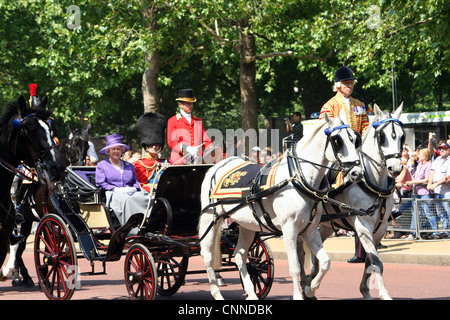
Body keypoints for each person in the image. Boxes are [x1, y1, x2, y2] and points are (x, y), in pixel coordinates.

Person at [319, 66, 369, 263]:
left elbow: (365, 126)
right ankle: (322, 201)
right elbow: (326, 130)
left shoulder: (359, 105)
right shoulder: (329, 106)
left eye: (351, 83)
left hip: (357, 151)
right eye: (347, 83)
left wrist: (362, 143)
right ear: (338, 85)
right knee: (328, 175)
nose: (350, 86)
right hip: (339, 153)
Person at [95, 134, 148, 230]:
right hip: (112, 194)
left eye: (118, 149)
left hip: (129, 193)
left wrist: (133, 188)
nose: (116, 151)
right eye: (113, 149)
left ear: (122, 151)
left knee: (146, 197)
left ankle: (146, 224)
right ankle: (131, 228)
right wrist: (116, 189)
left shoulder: (129, 165)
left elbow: (135, 182)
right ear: (108, 151)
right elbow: (101, 183)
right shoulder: (102, 165)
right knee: (128, 200)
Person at [167, 89, 214, 165]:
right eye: (187, 104)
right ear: (180, 105)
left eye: (191, 103)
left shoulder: (198, 121)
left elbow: (206, 140)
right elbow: (171, 142)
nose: (190, 106)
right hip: (180, 161)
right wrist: (186, 148)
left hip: (198, 161)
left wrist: (212, 149)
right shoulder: (173, 121)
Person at [134, 112, 168, 192]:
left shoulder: (166, 162)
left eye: (156, 144)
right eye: (151, 144)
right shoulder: (139, 164)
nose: (154, 147)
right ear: (146, 146)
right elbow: (141, 184)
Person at [405, 148, 433, 239]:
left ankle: (436, 232)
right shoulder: (419, 164)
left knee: (428, 212)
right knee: (415, 213)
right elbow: (416, 177)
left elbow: (426, 179)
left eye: (420, 154)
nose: (418, 155)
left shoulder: (429, 165)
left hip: (424, 193)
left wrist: (413, 182)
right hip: (416, 192)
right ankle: (412, 233)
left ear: (424, 156)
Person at [427, 142, 450, 238]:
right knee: (441, 213)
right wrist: (429, 183)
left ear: (449, 150)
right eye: (440, 149)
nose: (442, 150)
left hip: (447, 192)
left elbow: (448, 177)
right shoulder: (437, 159)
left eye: (444, 149)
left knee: (448, 213)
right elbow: (432, 172)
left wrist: (435, 184)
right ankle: (446, 231)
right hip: (437, 192)